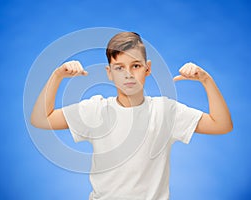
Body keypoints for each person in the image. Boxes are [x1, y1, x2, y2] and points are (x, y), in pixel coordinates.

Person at [30, 32, 233, 200]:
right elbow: (40, 119)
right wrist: (57, 76)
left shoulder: (164, 111)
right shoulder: (96, 110)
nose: (128, 74)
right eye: (120, 68)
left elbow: (221, 124)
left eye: (135, 66)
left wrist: (206, 80)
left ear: (148, 69)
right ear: (109, 72)